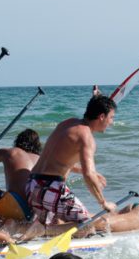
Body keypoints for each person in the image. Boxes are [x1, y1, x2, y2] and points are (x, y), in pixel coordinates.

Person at [21, 94, 117, 236]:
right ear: (101, 117)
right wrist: (103, 202)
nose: (112, 122)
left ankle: (27, 228)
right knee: (87, 227)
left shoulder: (67, 123)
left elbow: (58, 161)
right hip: (50, 189)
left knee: (58, 224)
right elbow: (88, 175)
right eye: (111, 117)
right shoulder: (87, 138)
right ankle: (42, 230)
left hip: (31, 185)